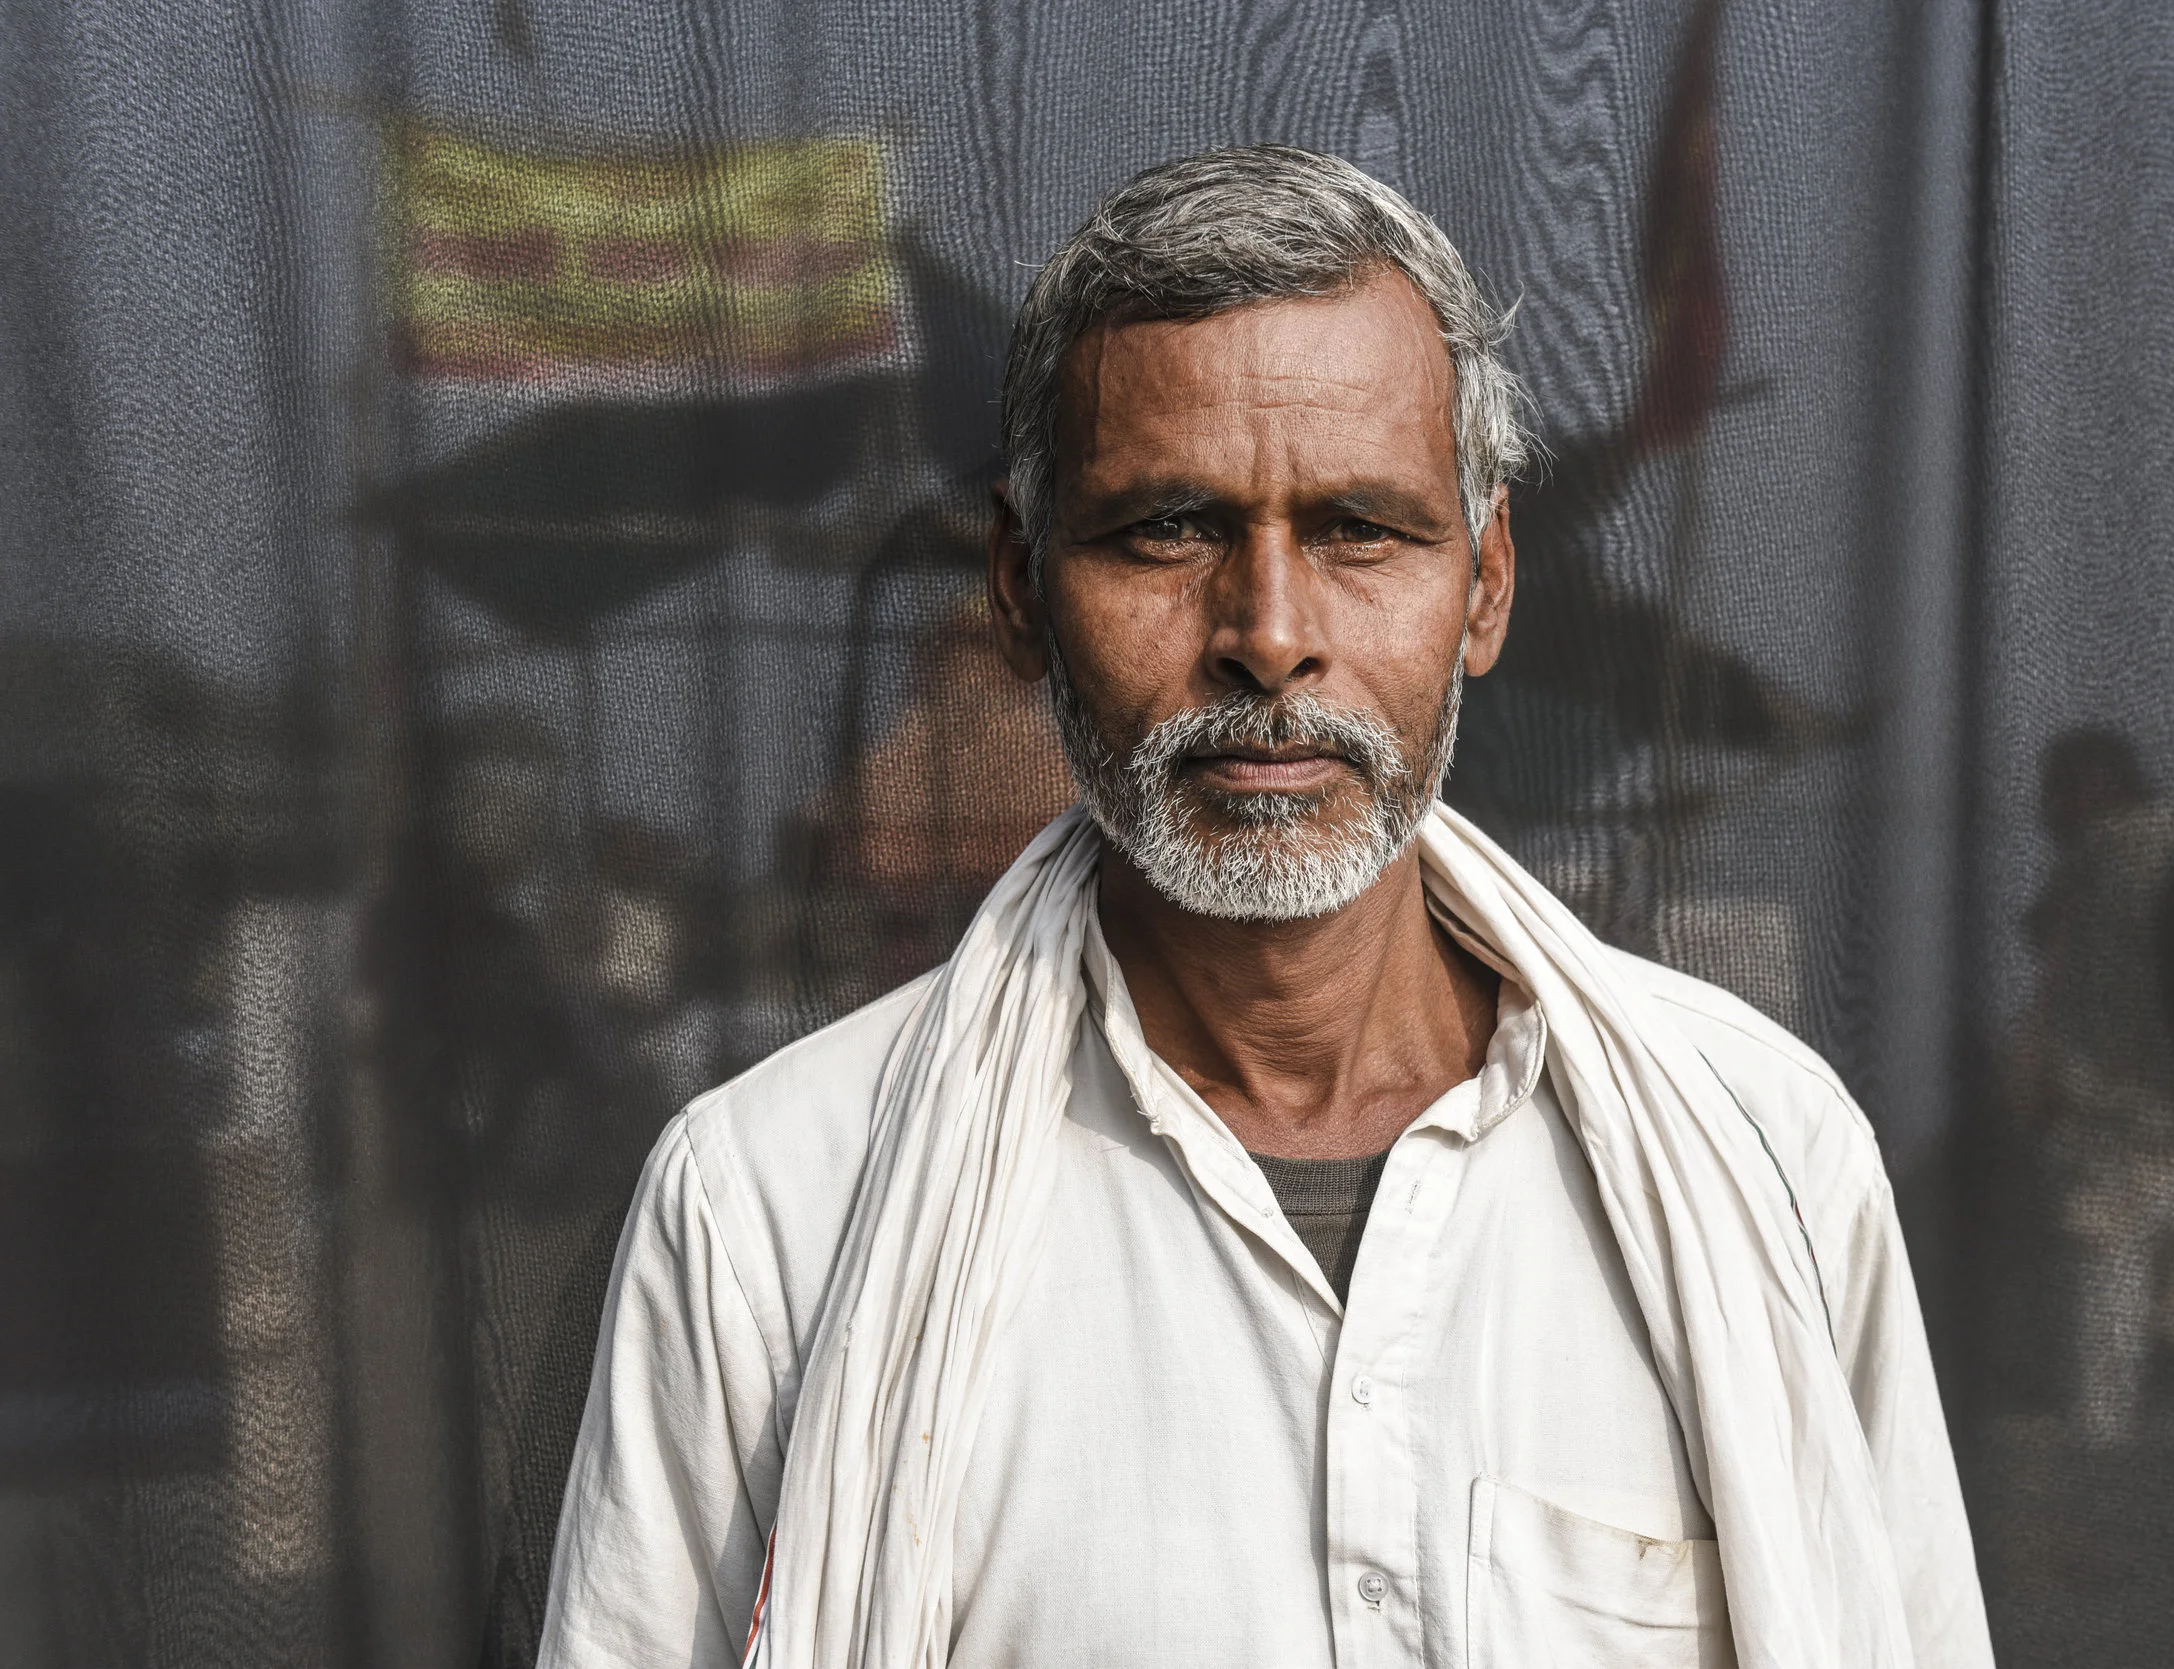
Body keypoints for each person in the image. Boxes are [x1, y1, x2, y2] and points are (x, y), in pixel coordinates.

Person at [540, 146, 1989, 1669]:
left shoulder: (1763, 1158)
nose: (1270, 636)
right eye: (1167, 530)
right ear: (1023, 591)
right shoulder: (774, 1213)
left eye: (1362, 529)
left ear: (1484, 585)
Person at [2016, 728, 2174, 1445]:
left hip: (2157, 1119)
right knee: (2134, 1276)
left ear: (2098, 787)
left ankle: (2158, 1427)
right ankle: (2141, 1429)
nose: (2050, 808)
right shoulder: (2114, 869)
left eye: (2064, 790)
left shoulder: (2153, 867)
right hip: (2127, 1121)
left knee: (2167, 1278)